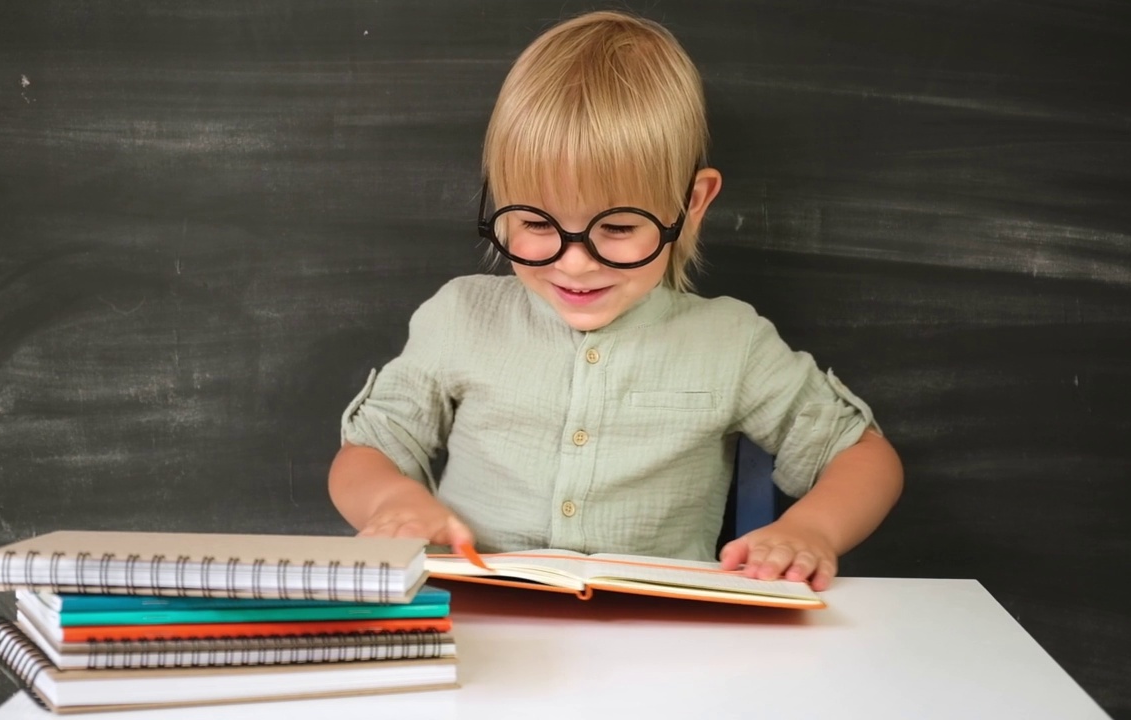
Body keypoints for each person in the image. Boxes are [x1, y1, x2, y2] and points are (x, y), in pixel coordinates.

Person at [328, 10, 902, 590]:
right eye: (534, 222)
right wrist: (393, 503)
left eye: (619, 228)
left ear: (692, 204)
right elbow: (368, 452)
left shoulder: (733, 341)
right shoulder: (459, 317)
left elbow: (862, 456)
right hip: (481, 619)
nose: (574, 262)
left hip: (662, 635)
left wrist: (811, 530)